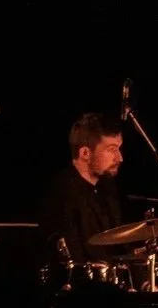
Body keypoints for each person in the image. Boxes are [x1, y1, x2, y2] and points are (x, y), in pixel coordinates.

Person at [36, 113, 127, 263]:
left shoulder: (107, 188)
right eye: (112, 149)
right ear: (85, 153)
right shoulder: (61, 195)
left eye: (119, 149)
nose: (120, 158)